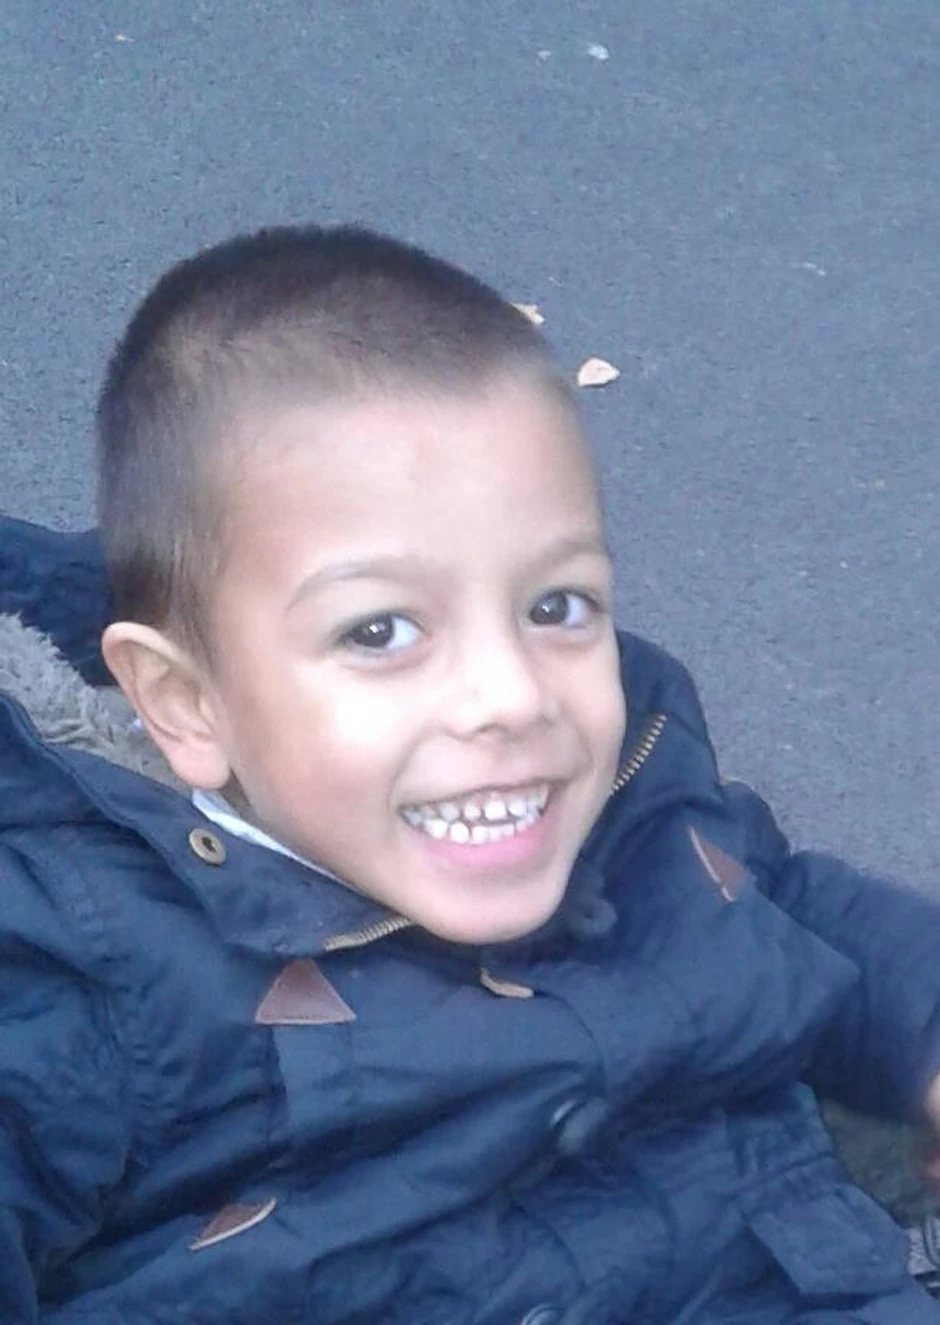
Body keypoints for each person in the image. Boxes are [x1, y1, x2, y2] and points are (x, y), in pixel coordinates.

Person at [0, 224, 938, 1324]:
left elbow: (787, 908)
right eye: (381, 630)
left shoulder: (631, 784)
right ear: (187, 703)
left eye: (556, 605)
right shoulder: (81, 972)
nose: (512, 693)